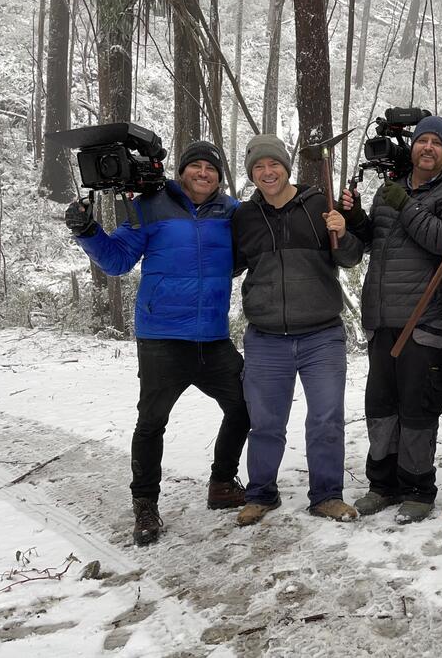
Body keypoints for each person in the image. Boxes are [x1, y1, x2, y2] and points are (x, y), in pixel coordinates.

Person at [64, 140, 249, 547]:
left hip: (213, 338)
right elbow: (117, 261)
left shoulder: (231, 211)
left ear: (220, 176)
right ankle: (145, 505)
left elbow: (252, 246)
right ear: (181, 172)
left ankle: (221, 483)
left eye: (211, 169)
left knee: (245, 404)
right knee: (151, 424)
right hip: (162, 338)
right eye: (195, 166)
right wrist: (88, 231)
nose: (203, 173)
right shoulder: (150, 204)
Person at [232, 134, 364, 526]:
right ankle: (260, 494)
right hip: (266, 337)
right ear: (252, 174)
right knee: (265, 422)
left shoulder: (319, 204)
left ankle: (326, 495)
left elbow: (351, 256)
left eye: (273, 164)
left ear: (286, 167)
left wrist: (343, 228)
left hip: (321, 335)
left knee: (326, 419)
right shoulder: (244, 216)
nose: (267, 172)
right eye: (258, 167)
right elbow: (229, 264)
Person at [339, 116, 442, 524]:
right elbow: (377, 240)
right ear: (412, 147)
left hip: (425, 320)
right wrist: (356, 217)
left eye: (436, 143)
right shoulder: (390, 191)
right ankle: (382, 484)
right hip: (382, 317)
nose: (428, 147)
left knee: (417, 408)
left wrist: (405, 204)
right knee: (380, 405)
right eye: (422, 141)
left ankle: (418, 487)